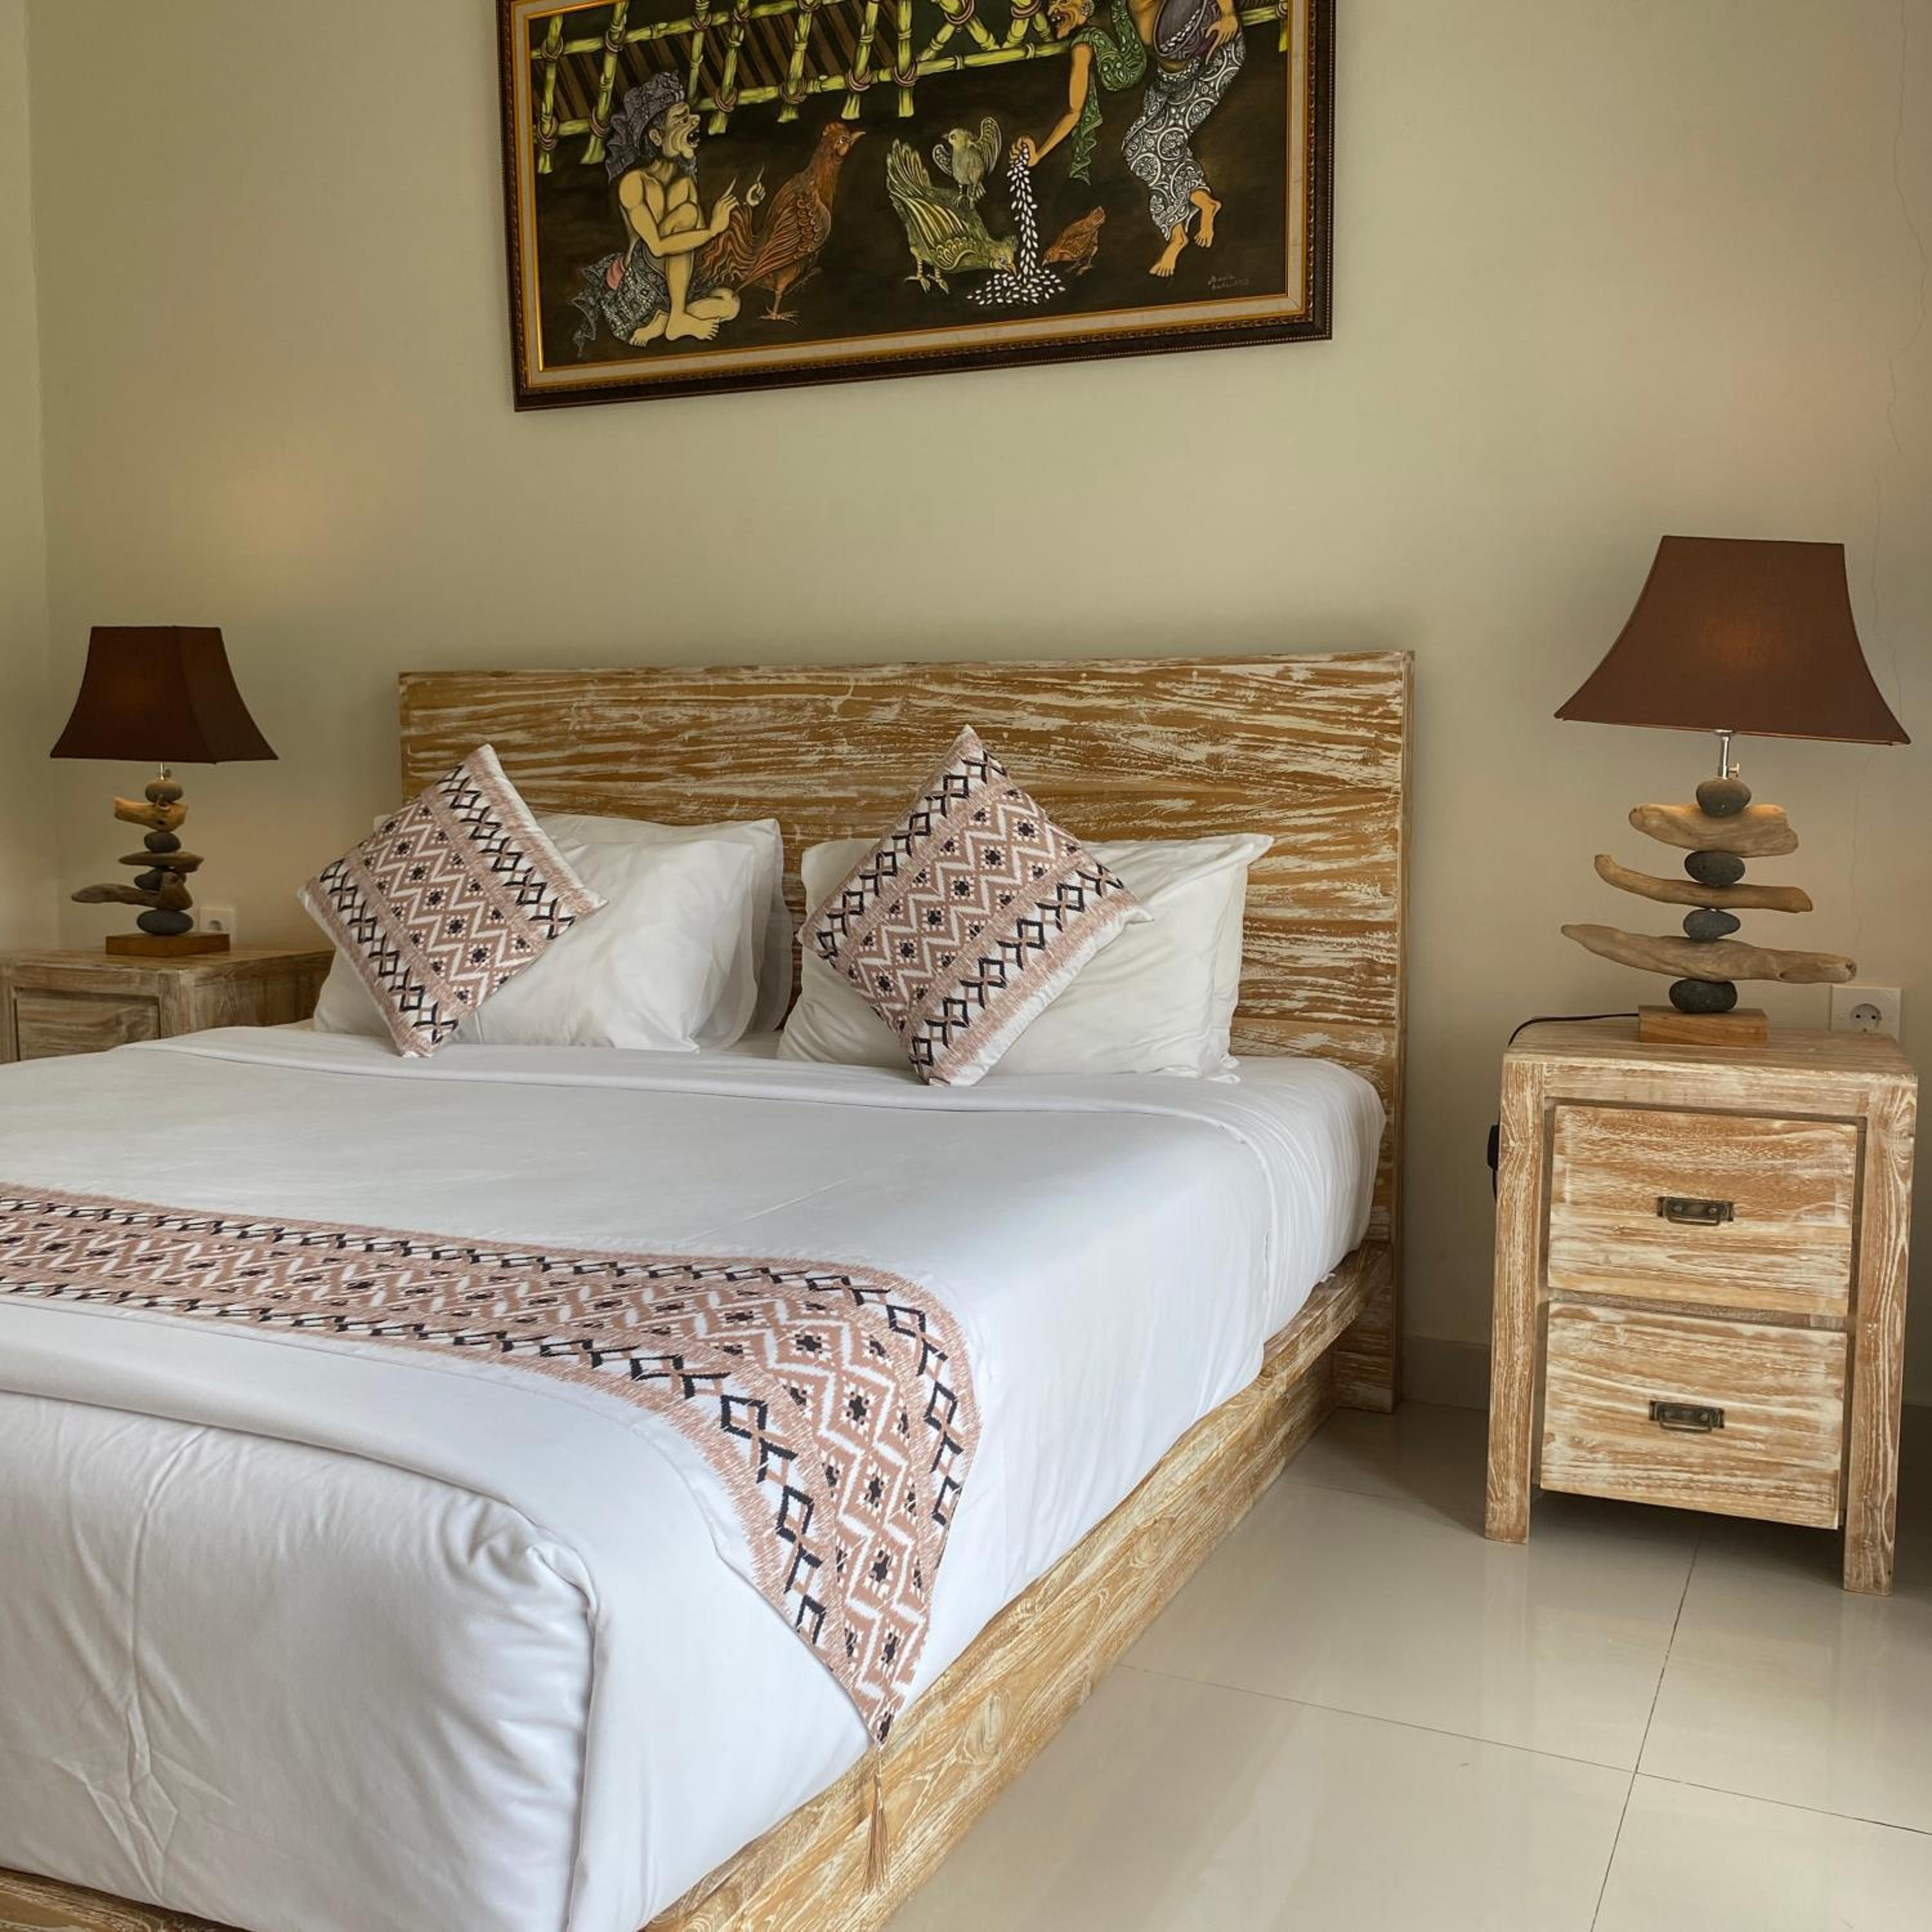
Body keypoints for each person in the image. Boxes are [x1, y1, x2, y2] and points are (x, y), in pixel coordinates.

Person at [572, 74, 742, 352]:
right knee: (687, 213)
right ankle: (677, 317)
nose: (694, 121)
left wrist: (691, 163)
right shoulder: (635, 183)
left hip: (670, 287)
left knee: (731, 304)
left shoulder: (683, 182)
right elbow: (658, 247)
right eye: (681, 120)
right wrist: (713, 230)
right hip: (638, 289)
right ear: (656, 136)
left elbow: (691, 246)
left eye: (690, 115)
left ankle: (665, 321)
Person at [1122, 0, 1244, 276]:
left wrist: (1228, 14)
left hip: (1214, 61)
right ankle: (1201, 203)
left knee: (1152, 149)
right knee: (1135, 148)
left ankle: (1178, 234)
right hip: (1171, 79)